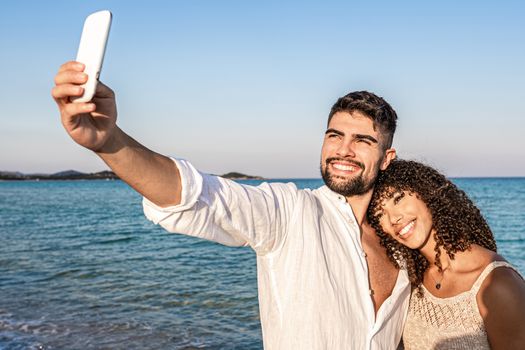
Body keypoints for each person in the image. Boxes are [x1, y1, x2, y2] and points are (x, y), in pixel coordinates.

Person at [52, 61, 411, 349]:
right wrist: (108, 141)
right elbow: (197, 196)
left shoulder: (403, 243)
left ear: (386, 158)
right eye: (335, 135)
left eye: (362, 140)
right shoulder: (290, 213)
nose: (343, 150)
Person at [367, 159, 525, 350]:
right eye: (379, 214)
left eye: (398, 198)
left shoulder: (497, 283)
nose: (394, 218)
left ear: (424, 191)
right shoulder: (410, 280)